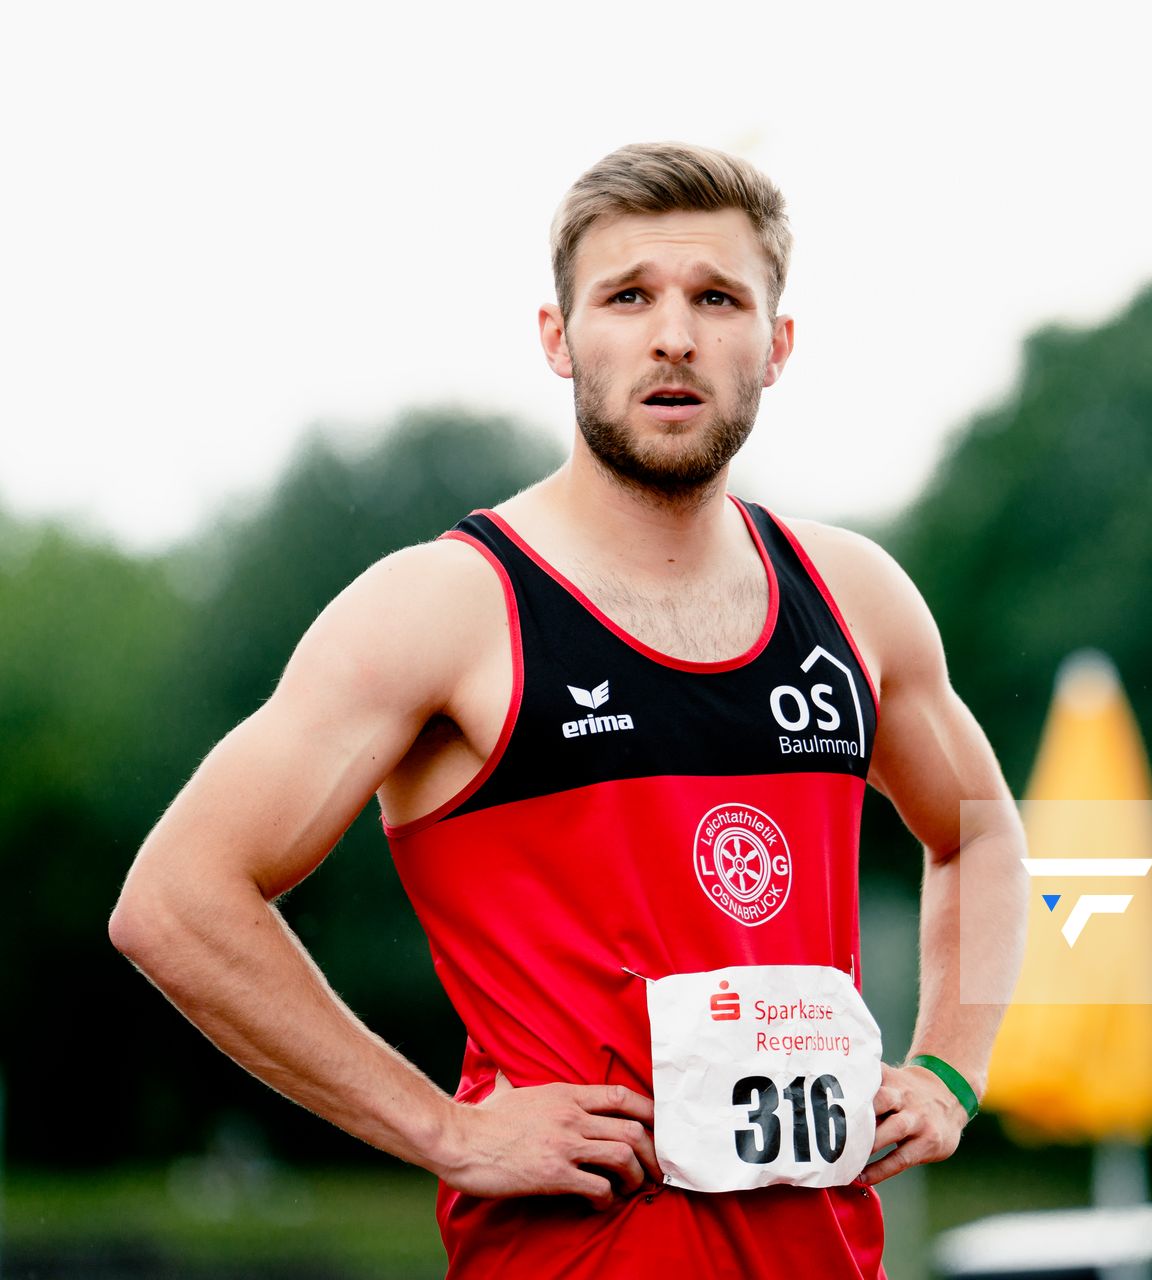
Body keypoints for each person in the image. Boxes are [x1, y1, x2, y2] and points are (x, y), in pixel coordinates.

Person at [108, 141, 1029, 1277]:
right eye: (628, 296)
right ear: (558, 337)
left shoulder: (857, 599)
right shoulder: (447, 606)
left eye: (718, 298)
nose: (674, 335)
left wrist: (949, 1067)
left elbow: (981, 826)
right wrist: (441, 1129)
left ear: (777, 344)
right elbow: (175, 899)